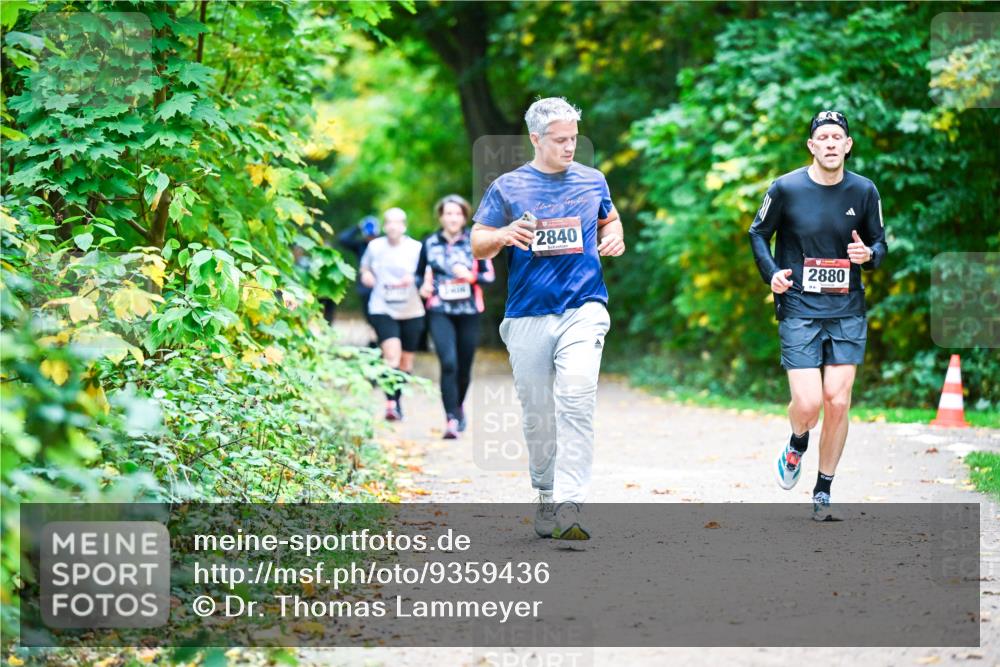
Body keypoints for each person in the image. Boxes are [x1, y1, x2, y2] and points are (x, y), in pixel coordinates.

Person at [471, 97, 625, 540]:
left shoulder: (593, 180)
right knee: (538, 412)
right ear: (536, 139)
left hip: (584, 307)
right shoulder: (508, 187)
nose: (570, 147)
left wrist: (613, 236)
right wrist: (503, 234)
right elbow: (478, 243)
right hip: (527, 314)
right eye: (560, 140)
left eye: (574, 138)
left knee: (576, 397)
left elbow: (610, 220)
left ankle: (571, 502)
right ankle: (546, 492)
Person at [748, 110, 887, 521]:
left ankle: (823, 490)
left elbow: (880, 246)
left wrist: (869, 256)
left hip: (846, 308)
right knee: (808, 404)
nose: (829, 143)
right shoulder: (786, 188)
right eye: (822, 137)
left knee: (838, 401)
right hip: (799, 307)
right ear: (812, 146)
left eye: (837, 137)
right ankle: (796, 442)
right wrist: (771, 274)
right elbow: (757, 232)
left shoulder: (864, 192)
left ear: (847, 146)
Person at [417, 194, 496, 440]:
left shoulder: (476, 241)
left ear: (464, 217)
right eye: (447, 213)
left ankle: (458, 407)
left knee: (463, 367)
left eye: (457, 213)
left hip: (469, 311)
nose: (452, 218)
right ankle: (451, 418)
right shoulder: (429, 242)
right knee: (448, 362)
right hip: (440, 309)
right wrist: (422, 287)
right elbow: (418, 275)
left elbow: (489, 276)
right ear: (441, 217)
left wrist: (471, 277)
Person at [360, 208, 425, 421]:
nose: (393, 226)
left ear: (404, 226)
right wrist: (367, 277)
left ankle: (397, 401)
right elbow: (365, 270)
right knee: (391, 356)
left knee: (406, 363)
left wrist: (416, 281)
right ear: (384, 226)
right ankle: (390, 403)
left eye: (397, 222)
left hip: (411, 309)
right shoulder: (374, 246)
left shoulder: (416, 248)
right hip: (382, 307)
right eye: (389, 222)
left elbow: (428, 274)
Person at [339, 216, 380, 337]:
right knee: (369, 314)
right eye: (368, 236)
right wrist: (358, 227)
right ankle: (373, 339)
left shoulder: (383, 243)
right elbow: (343, 239)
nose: (370, 238)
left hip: (381, 285)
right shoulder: (360, 245)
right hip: (365, 286)